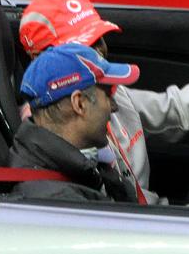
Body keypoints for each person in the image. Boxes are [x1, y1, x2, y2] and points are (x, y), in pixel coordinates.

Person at [19, 0, 189, 206]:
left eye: (99, 38)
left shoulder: (112, 92)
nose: (100, 51)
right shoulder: (55, 142)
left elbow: (175, 109)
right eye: (83, 44)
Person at [9, 43, 142, 203]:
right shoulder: (62, 203)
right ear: (79, 104)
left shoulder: (73, 166)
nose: (114, 107)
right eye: (107, 95)